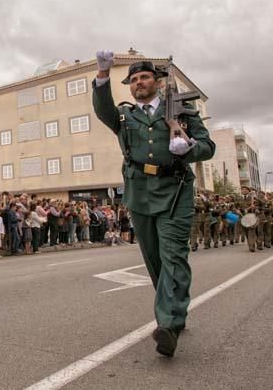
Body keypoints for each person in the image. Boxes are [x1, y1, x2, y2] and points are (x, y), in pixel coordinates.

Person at [92, 51, 215, 357]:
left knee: (173, 256)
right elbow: (102, 108)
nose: (138, 83)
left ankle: (169, 324)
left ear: (157, 81)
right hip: (139, 192)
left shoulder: (183, 112)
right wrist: (103, 75)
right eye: (133, 80)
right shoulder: (124, 116)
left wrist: (188, 147)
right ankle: (176, 310)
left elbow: (207, 147)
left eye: (144, 77)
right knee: (155, 261)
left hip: (175, 190)